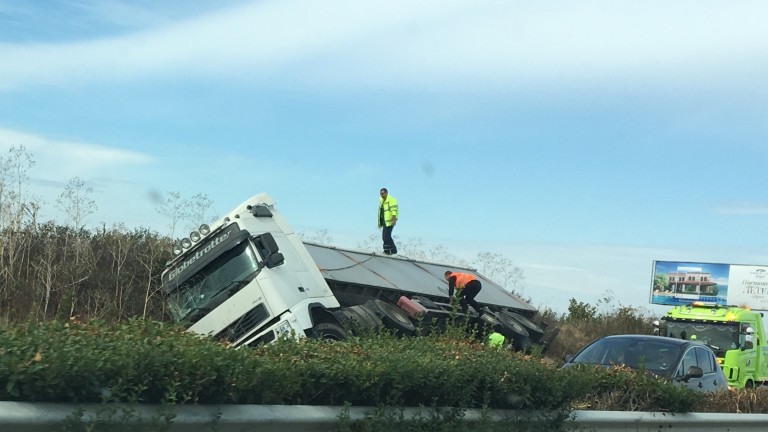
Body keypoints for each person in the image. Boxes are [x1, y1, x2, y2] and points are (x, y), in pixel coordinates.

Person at [378, 188, 398, 255]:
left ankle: (388, 251)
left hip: (390, 221)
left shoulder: (391, 200)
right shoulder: (382, 201)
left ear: (386, 193)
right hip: (385, 222)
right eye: (381, 194)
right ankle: (392, 250)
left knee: (386, 237)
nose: (382, 195)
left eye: (383, 194)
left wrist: (393, 219)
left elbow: (394, 210)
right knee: (385, 236)